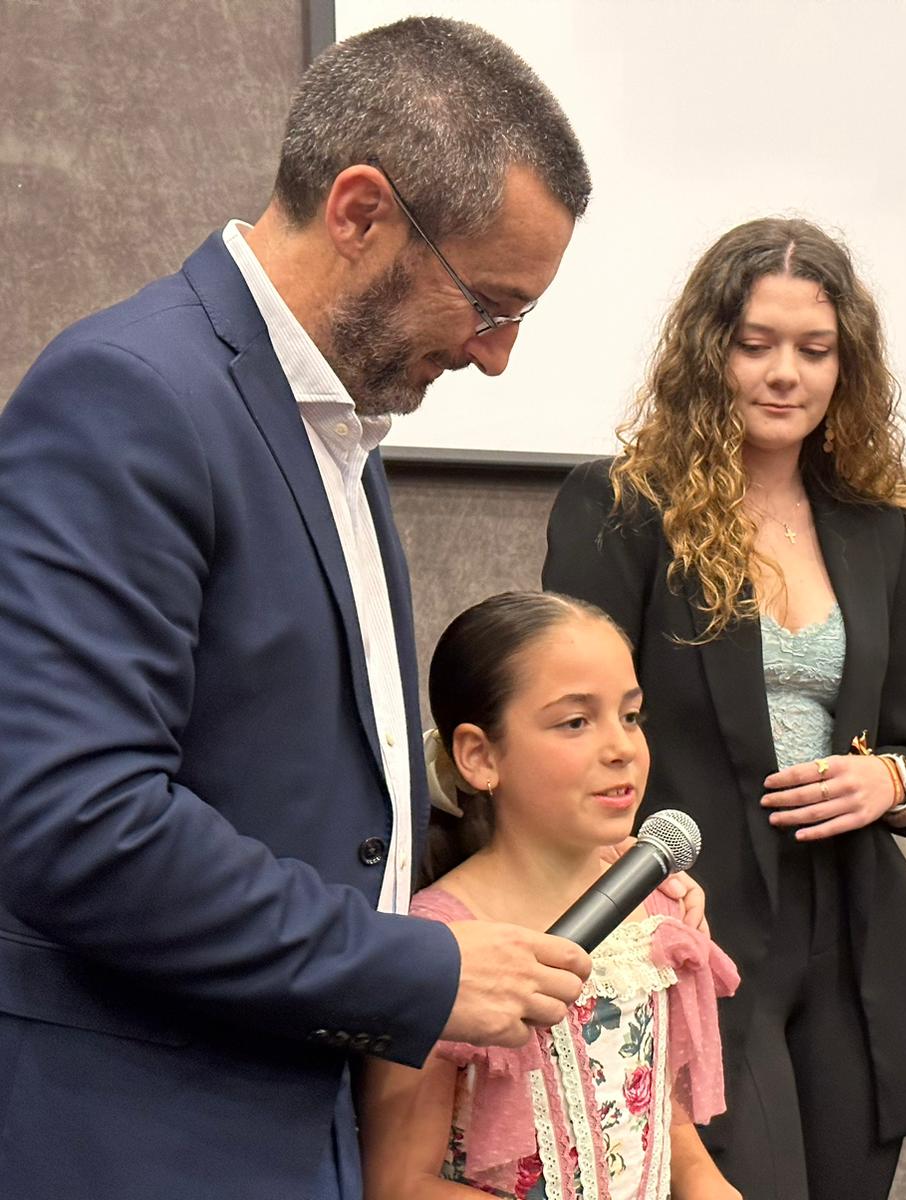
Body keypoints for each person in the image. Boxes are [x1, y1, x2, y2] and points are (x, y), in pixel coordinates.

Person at [0, 17, 693, 1199]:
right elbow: (76, 816)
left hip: (289, 1118)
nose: (496, 358)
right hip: (144, 1132)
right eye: (489, 303)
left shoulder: (341, 437)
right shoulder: (133, 394)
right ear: (361, 211)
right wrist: (409, 967)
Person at [542, 217, 906, 1199]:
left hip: (853, 929)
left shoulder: (877, 530)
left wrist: (890, 781)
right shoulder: (619, 507)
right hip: (691, 920)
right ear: (707, 351)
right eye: (755, 345)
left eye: (814, 351)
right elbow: (564, 729)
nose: (785, 374)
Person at [359, 591, 739, 1200]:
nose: (620, 748)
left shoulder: (659, 908)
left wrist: (705, 1183)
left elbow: (656, 1108)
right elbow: (398, 1182)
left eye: (631, 716)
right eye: (576, 722)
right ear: (481, 757)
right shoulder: (439, 945)